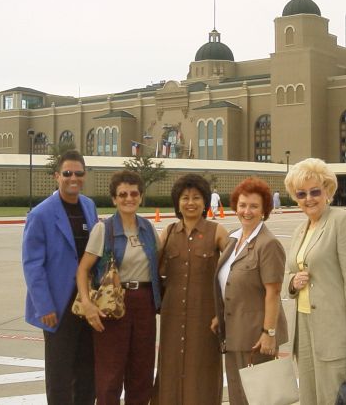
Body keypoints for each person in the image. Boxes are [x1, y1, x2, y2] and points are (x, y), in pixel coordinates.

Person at [284, 158, 346, 405]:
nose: (308, 199)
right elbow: (289, 275)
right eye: (301, 194)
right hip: (304, 326)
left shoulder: (341, 221)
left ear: (327, 191)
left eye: (315, 191)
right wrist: (292, 283)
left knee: (334, 398)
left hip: (334, 331)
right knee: (310, 399)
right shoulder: (301, 229)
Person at [76, 170, 161, 405]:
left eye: (134, 193)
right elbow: (83, 269)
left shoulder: (149, 229)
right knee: (110, 374)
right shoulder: (104, 230)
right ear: (114, 199)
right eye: (122, 194)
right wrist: (86, 303)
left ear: (141, 196)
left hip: (144, 303)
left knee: (142, 372)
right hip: (113, 306)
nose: (128, 198)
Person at [22, 150, 98, 404]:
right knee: (59, 373)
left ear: (84, 176)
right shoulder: (41, 214)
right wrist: (44, 305)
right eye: (67, 173)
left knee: (87, 370)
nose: (72, 178)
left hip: (86, 303)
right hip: (58, 305)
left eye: (78, 173)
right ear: (57, 176)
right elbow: (33, 264)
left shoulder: (89, 206)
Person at [153, 174, 228, 405]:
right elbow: (153, 270)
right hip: (172, 315)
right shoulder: (168, 233)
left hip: (206, 317)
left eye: (196, 197)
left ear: (205, 202)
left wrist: (222, 313)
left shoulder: (217, 232)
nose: (190, 202)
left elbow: (233, 274)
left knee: (203, 370)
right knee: (170, 367)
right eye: (185, 198)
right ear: (177, 202)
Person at [214, 177, 288, 405]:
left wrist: (269, 333)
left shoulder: (268, 244)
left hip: (256, 338)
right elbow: (230, 284)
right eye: (243, 205)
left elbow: (273, 293)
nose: (247, 211)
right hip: (234, 333)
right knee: (238, 396)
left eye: (254, 206)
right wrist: (221, 316)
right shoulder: (234, 239)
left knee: (258, 399)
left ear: (264, 210)